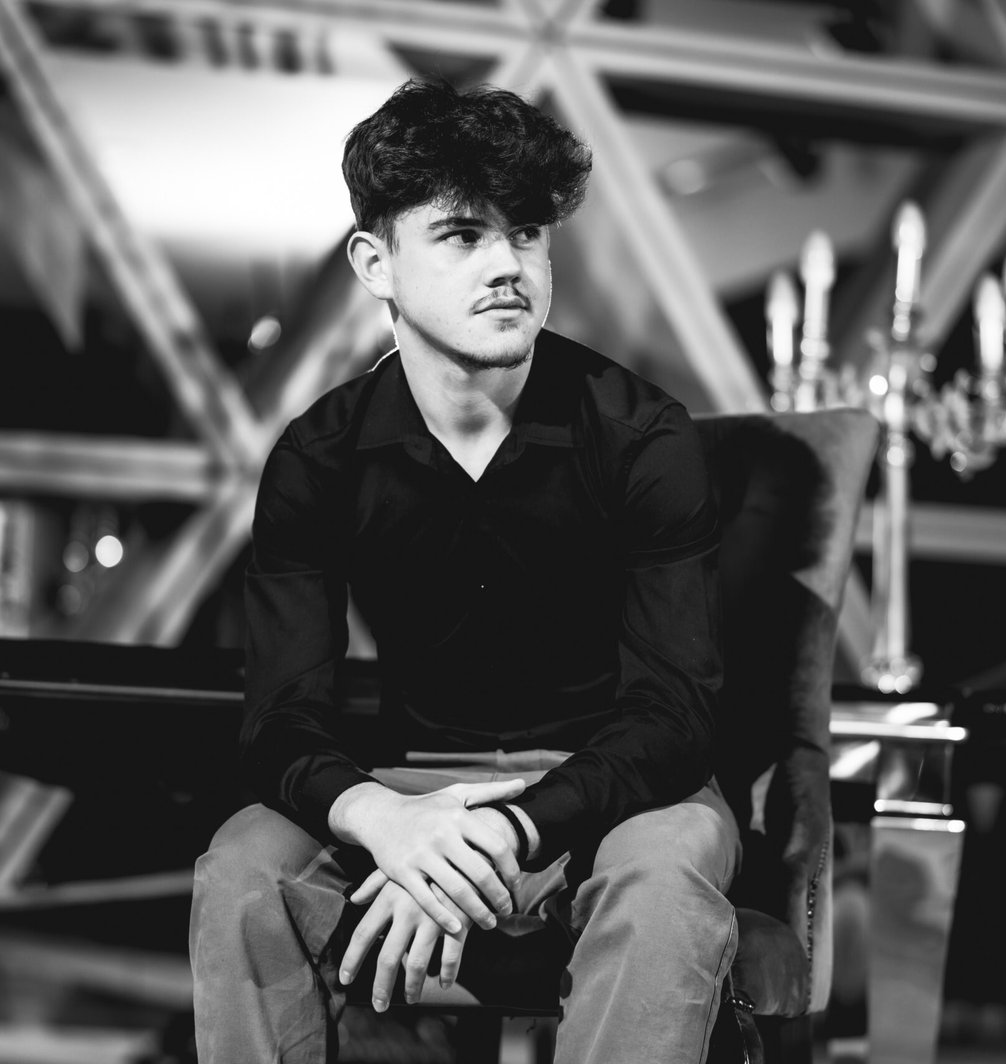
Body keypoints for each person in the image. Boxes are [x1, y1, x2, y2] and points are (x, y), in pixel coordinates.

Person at [190, 78, 740, 1063]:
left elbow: (676, 715)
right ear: (376, 263)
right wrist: (390, 824)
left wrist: (507, 831)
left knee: (666, 874)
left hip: (616, 783)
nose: (507, 266)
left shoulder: (644, 435)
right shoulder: (319, 457)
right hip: (413, 783)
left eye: (526, 233)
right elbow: (277, 720)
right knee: (242, 870)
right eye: (462, 234)